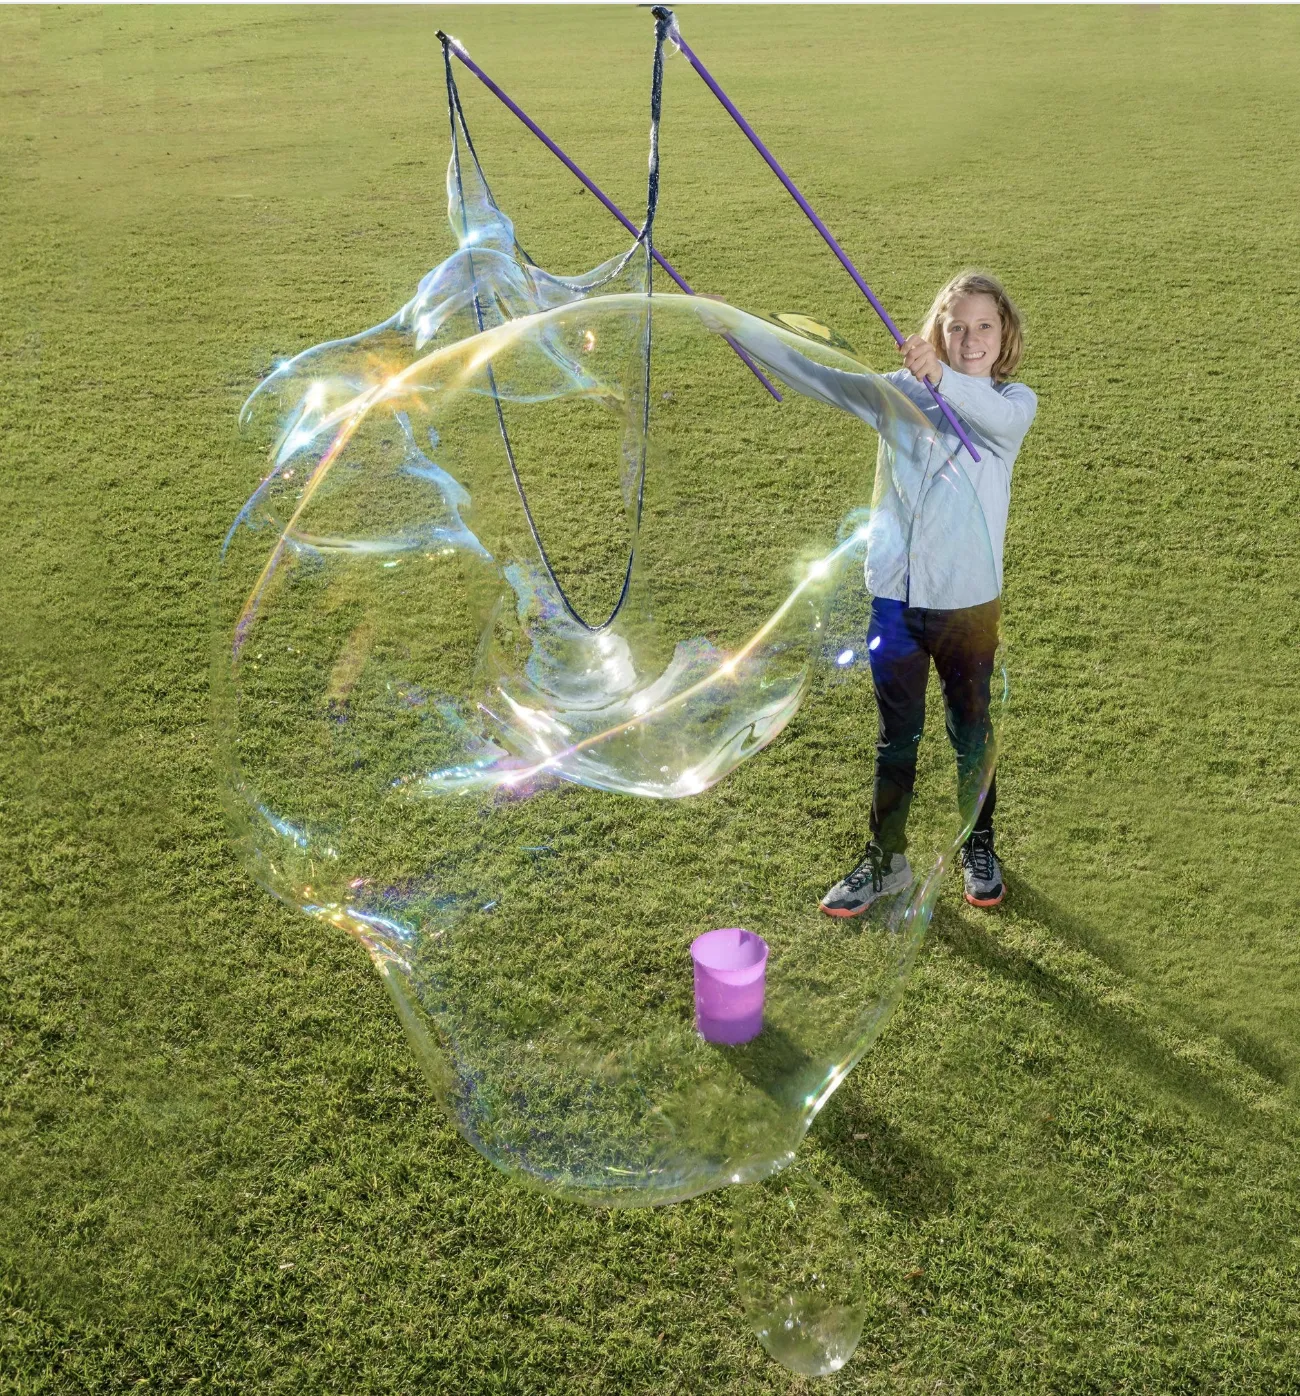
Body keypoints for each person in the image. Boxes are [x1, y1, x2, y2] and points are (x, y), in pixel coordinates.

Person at [723, 271, 1037, 913]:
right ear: (937, 333)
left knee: (971, 729)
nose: (970, 337)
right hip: (894, 600)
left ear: (1003, 334)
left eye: (984, 326)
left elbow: (987, 414)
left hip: (968, 604)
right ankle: (885, 860)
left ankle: (981, 846)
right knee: (898, 737)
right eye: (956, 327)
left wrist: (940, 378)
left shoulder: (1014, 404)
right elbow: (820, 377)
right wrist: (741, 331)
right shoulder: (899, 394)